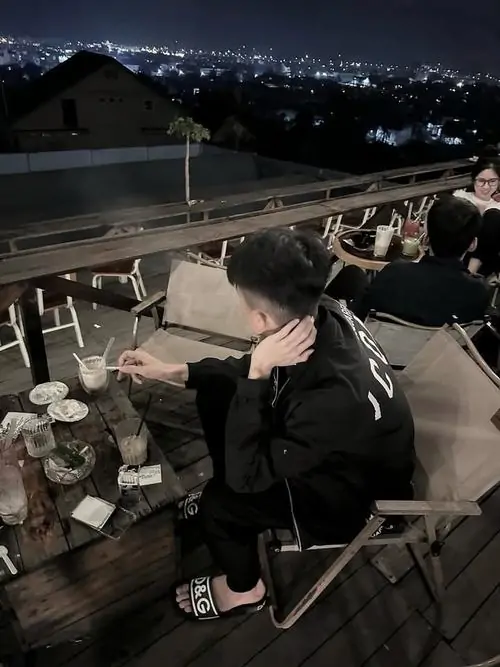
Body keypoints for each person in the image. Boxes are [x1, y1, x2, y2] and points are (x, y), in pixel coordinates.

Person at [118, 229, 415, 621]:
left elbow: (247, 477)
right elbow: (245, 370)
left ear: (259, 317)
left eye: (242, 302)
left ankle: (245, 589)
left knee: (222, 505)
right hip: (334, 447)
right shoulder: (319, 311)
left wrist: (259, 371)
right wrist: (170, 370)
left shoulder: (331, 395)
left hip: (350, 496)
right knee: (216, 392)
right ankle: (226, 489)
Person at [351, 197, 489, 326]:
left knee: (352, 275)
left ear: (426, 239)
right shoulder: (478, 291)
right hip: (438, 344)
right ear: (473, 244)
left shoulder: (395, 273)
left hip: (380, 340)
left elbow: (359, 318)